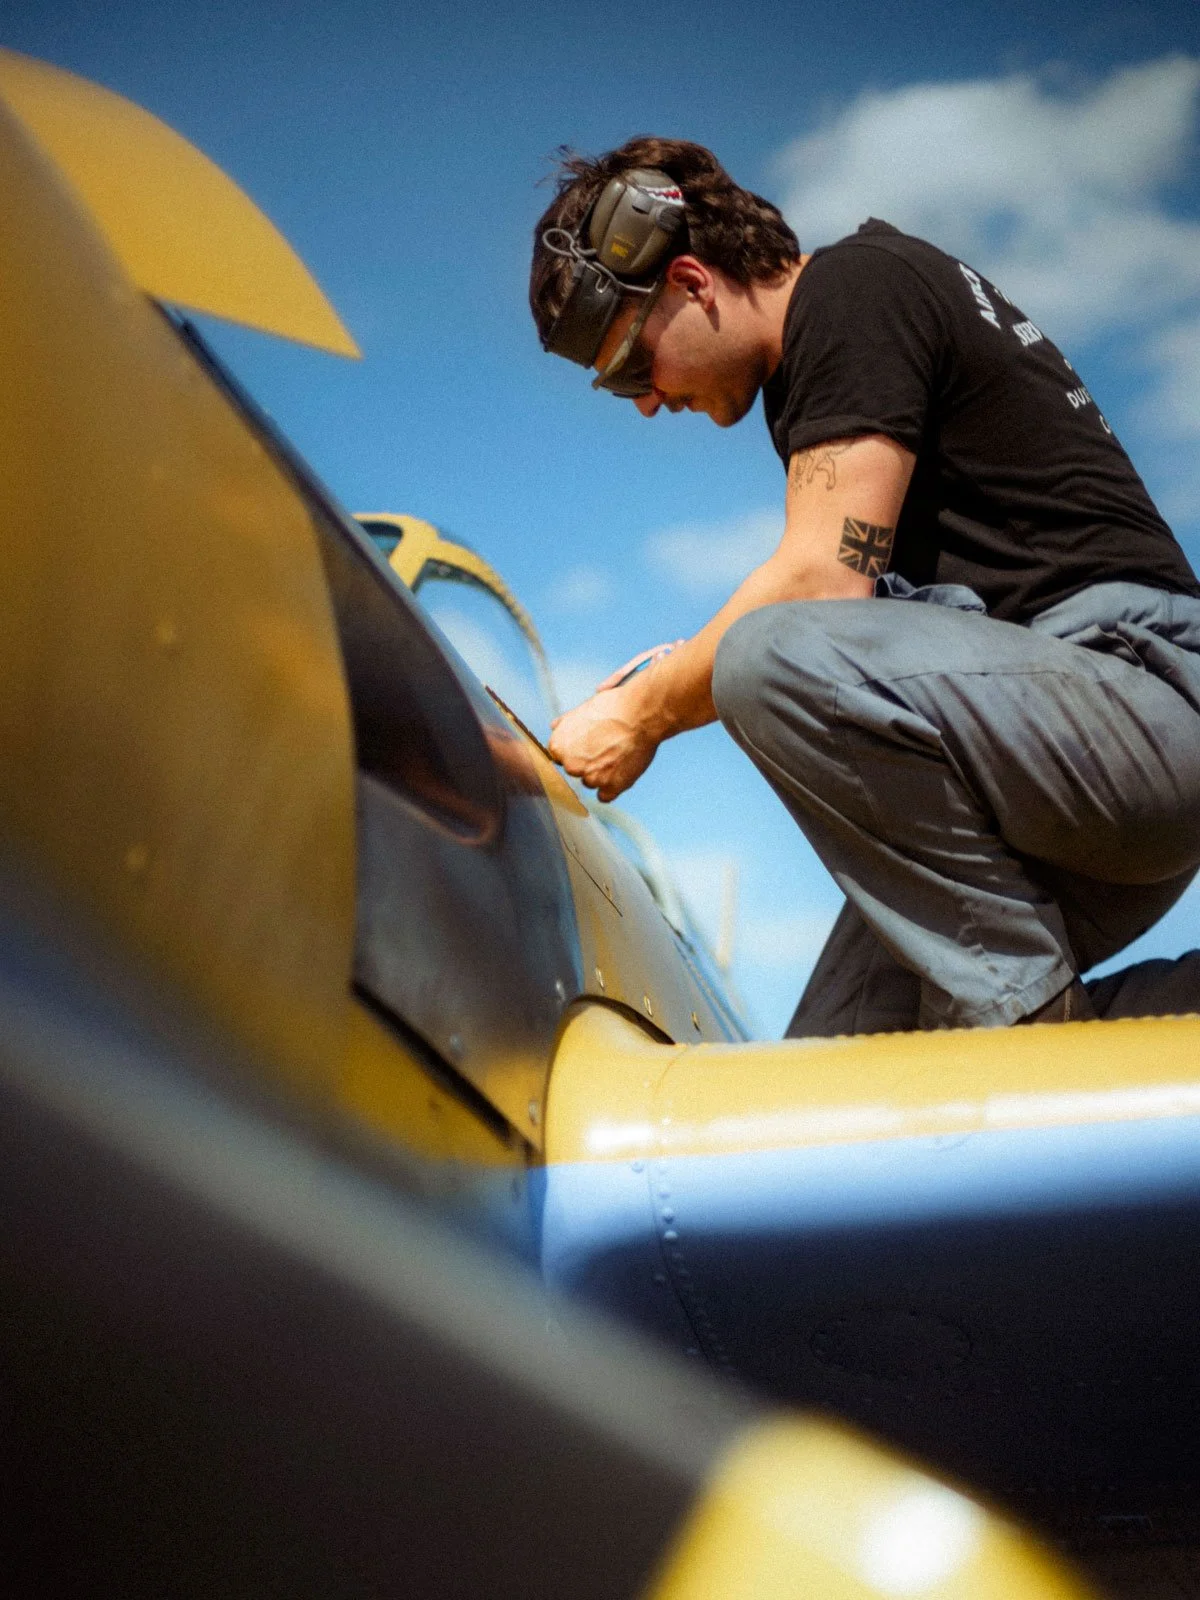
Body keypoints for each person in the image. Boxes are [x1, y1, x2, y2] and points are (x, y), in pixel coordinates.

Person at [530, 137, 1200, 1032]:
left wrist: (643, 712)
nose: (645, 401)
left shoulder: (852, 289)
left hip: (1144, 704)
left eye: (629, 367)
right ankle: (1054, 1029)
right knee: (829, 1081)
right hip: (1048, 756)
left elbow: (817, 583)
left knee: (769, 656)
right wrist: (685, 666)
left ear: (692, 281)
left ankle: (1020, 1016)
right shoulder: (827, 355)